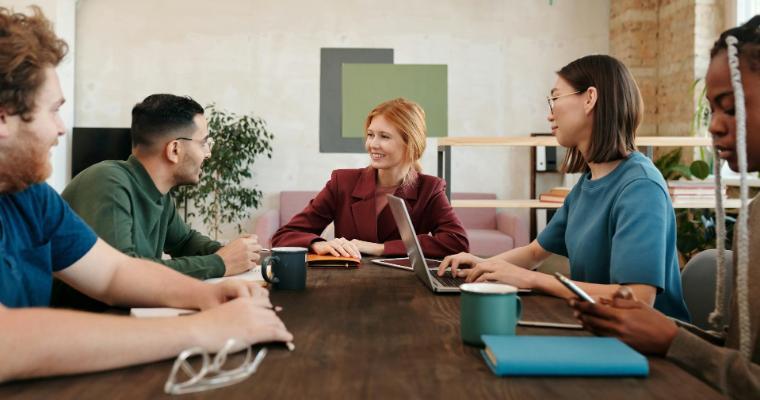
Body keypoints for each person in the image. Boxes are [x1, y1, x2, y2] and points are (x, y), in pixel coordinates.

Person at [0, 6, 291, 382]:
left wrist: (208, 297)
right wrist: (205, 329)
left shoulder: (30, 196)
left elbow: (114, 272)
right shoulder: (106, 180)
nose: (61, 129)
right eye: (54, 111)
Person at [571, 16, 760, 399]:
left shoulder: (638, 181)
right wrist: (646, 325)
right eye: (711, 111)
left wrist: (672, 337)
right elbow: (741, 354)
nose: (715, 127)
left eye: (732, 108)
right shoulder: (754, 216)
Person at [438, 55, 689, 321]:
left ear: (590, 98)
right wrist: (483, 265)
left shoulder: (641, 187)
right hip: (599, 328)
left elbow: (638, 298)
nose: (549, 113)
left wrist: (532, 279)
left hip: (648, 349)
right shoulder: (587, 182)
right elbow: (535, 252)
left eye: (555, 98)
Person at [62, 94, 260, 280]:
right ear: (175, 149)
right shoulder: (107, 182)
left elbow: (185, 242)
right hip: (81, 315)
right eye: (203, 143)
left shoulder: (159, 194)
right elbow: (125, 274)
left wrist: (238, 254)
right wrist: (220, 262)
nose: (208, 154)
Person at [271, 98, 468, 259]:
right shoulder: (343, 182)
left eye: (384, 136)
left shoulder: (429, 188)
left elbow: (456, 242)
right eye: (370, 134)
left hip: (405, 292)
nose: (372, 144)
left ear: (410, 143)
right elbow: (284, 236)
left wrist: (381, 248)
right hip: (345, 289)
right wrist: (318, 244)